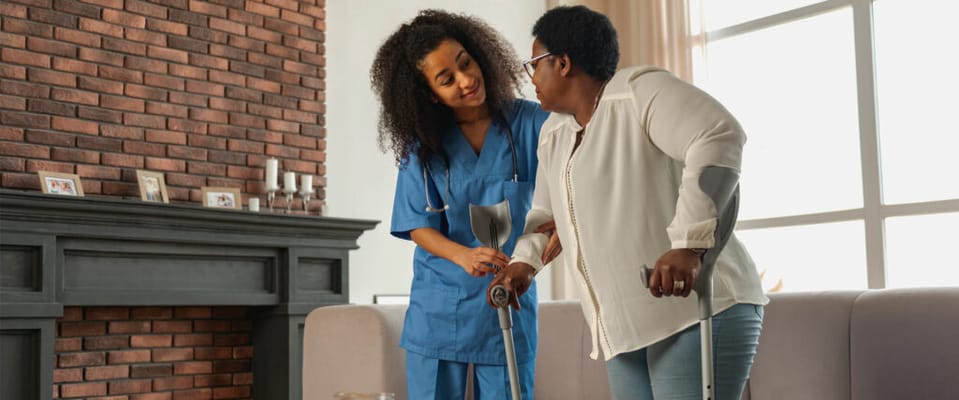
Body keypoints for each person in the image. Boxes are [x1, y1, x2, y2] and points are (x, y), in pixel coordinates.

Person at [488, 6, 768, 400]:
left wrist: (688, 244)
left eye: (535, 64)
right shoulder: (554, 134)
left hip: (696, 309)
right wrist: (524, 263)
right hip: (624, 327)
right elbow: (545, 215)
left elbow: (717, 134)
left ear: (563, 63)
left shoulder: (638, 92)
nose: (530, 77)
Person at [370, 9, 550, 400]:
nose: (467, 80)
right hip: (440, 305)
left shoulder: (531, 123)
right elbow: (417, 223)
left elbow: (565, 188)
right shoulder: (423, 146)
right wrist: (464, 257)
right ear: (429, 94)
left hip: (510, 296)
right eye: (447, 79)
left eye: (465, 63)